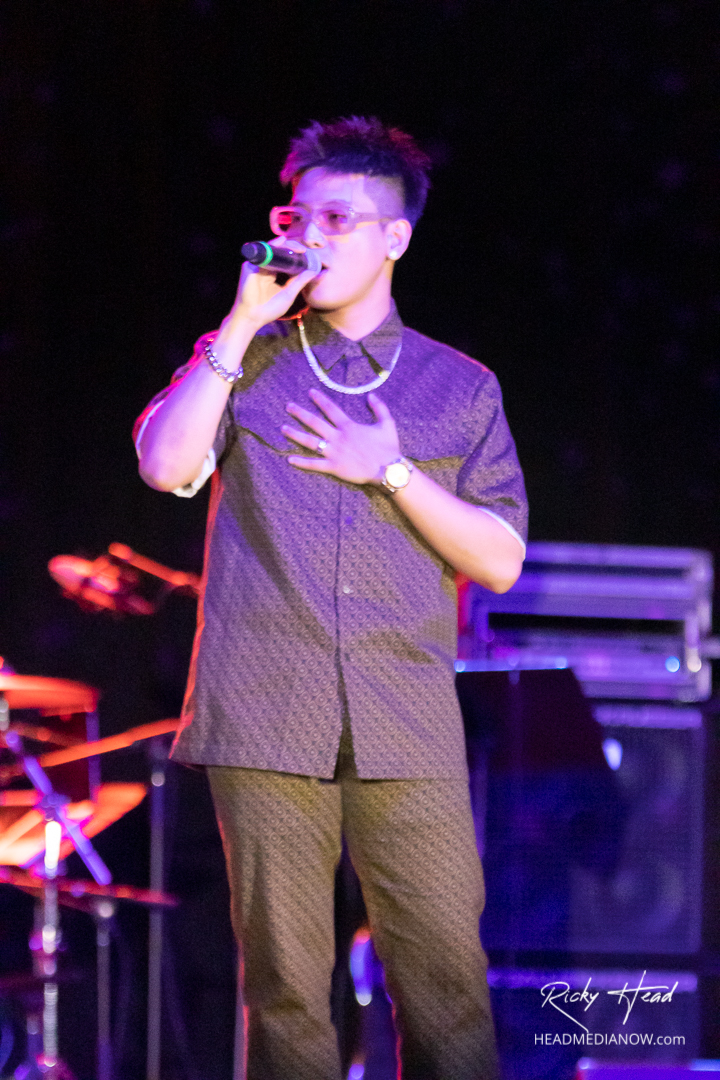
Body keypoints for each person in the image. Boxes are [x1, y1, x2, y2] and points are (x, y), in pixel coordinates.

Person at [135, 116, 527, 1080]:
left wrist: (390, 469)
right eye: (297, 216)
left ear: (395, 237)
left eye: (338, 219)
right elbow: (165, 464)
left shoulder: (460, 387)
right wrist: (238, 326)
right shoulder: (246, 359)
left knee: (446, 987)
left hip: (406, 719)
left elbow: (501, 560)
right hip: (267, 709)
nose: (309, 235)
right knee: (285, 993)